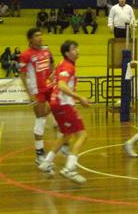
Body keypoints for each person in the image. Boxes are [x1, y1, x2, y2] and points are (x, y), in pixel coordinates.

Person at [37, 40, 89, 184]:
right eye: (73, 49)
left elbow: (53, 77)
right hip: (63, 104)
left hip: (56, 103)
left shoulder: (62, 64)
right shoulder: (68, 66)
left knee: (66, 135)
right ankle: (69, 168)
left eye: (77, 48)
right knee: (83, 135)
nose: (77, 51)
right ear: (67, 53)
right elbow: (61, 84)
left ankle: (47, 162)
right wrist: (80, 98)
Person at [19, 27, 55, 164]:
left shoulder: (46, 51)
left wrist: (52, 76)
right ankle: (39, 154)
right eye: (36, 36)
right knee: (40, 119)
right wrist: (29, 94)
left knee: (53, 109)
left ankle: (63, 143)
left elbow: (52, 65)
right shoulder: (26, 55)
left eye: (41, 35)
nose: (40, 38)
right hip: (36, 91)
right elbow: (22, 75)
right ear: (30, 39)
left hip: (48, 88)